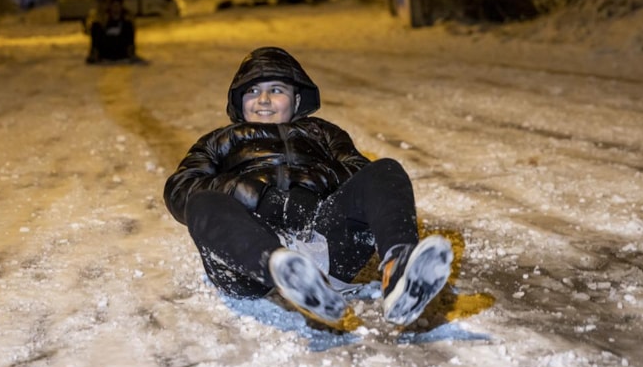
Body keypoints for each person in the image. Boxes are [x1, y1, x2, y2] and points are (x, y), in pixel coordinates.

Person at [163, 47, 453, 328]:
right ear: (239, 101)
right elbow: (180, 187)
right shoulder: (219, 141)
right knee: (201, 201)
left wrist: (312, 189)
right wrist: (259, 197)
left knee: (385, 170)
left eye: (276, 90)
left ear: (297, 99)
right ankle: (284, 270)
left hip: (325, 237)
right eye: (252, 91)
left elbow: (358, 170)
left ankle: (400, 270)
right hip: (250, 255)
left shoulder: (322, 133)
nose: (263, 99)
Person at [86, 0, 143, 64]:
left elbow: (130, 35)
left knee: (128, 25)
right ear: (110, 6)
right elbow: (93, 31)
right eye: (114, 6)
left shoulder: (127, 18)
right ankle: (95, 54)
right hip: (106, 50)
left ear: (121, 6)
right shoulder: (103, 16)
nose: (116, 8)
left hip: (121, 51)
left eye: (118, 6)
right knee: (96, 25)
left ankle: (131, 54)